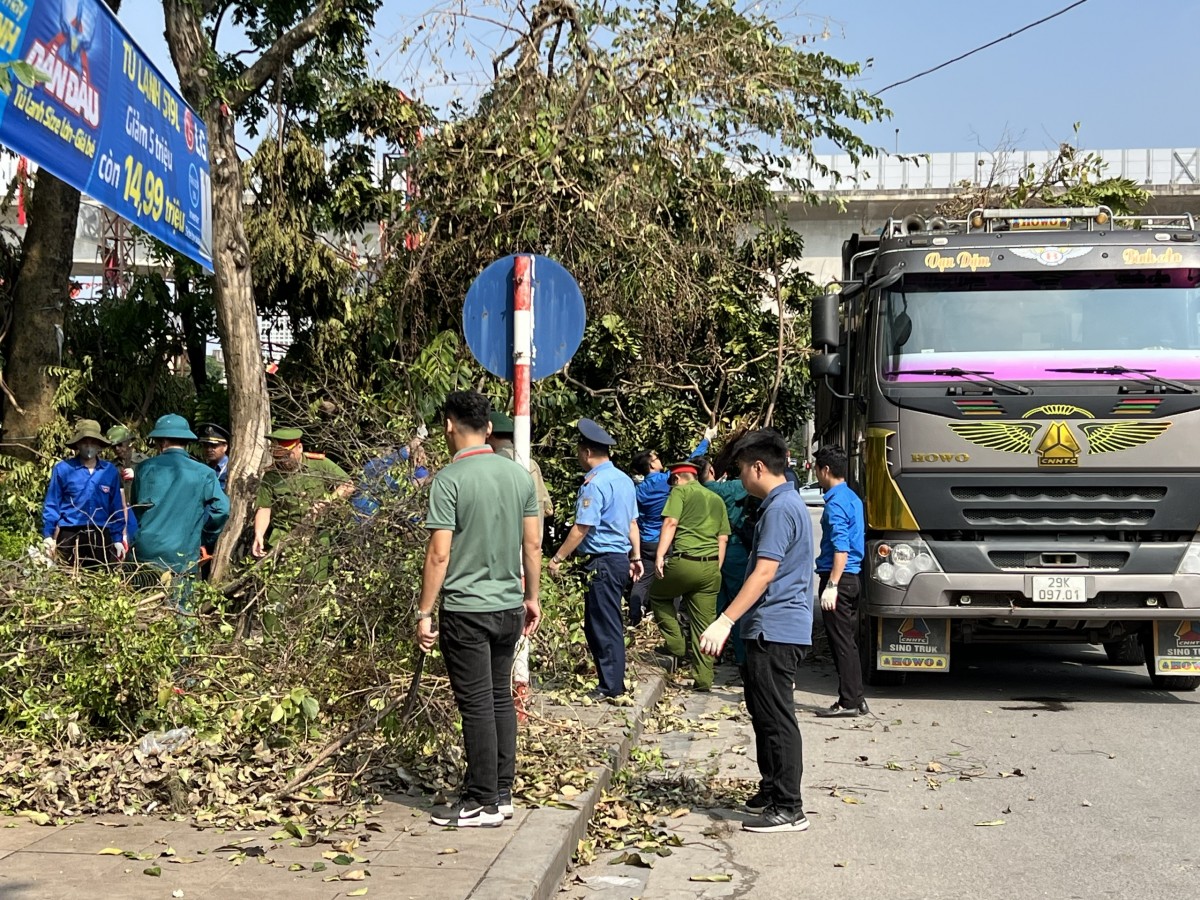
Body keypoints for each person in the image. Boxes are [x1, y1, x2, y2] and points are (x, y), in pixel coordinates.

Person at [416, 391, 541, 829]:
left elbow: (438, 555)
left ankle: (482, 800)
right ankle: (502, 792)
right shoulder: (518, 476)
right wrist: (533, 597)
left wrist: (425, 612)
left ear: (449, 425)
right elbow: (532, 544)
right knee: (499, 697)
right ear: (488, 427)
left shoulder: (450, 480)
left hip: (466, 610)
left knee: (475, 704)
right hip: (509, 605)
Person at [699, 430, 814, 834]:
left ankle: (789, 806)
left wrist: (725, 619)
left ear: (759, 467)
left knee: (777, 717)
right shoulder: (777, 504)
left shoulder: (781, 508)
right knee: (763, 714)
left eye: (743, 469)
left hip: (777, 629)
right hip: (768, 627)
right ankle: (772, 789)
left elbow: (765, 572)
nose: (741, 478)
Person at [548, 419, 641, 699]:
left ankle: (610, 685)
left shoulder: (595, 483)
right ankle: (612, 681)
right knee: (607, 620)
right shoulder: (624, 480)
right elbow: (633, 523)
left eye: (579, 451)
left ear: (587, 452)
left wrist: (558, 558)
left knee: (602, 623)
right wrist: (635, 556)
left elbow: (582, 527)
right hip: (619, 559)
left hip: (601, 560)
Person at [649, 460, 729, 691]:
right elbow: (722, 538)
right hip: (711, 566)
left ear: (676, 479)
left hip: (684, 562)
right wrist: (716, 566)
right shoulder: (716, 499)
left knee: (658, 595)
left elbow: (671, 522)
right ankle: (704, 679)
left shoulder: (679, 492)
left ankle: (676, 645)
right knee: (704, 625)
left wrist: (660, 556)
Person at [627, 426, 716, 624]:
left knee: (642, 579)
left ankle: (634, 616)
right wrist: (706, 440)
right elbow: (688, 463)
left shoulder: (638, 490)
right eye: (656, 458)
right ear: (651, 465)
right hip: (664, 541)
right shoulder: (664, 481)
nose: (659, 459)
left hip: (644, 541)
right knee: (671, 580)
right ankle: (667, 619)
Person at [130, 414, 230, 581]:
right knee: (178, 606)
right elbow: (222, 509)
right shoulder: (204, 473)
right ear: (186, 442)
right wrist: (204, 536)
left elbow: (137, 506)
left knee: (141, 603)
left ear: (161, 442)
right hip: (182, 554)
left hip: (146, 550)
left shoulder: (144, 468)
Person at [812, 444, 868, 718]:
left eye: (816, 469)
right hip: (853, 579)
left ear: (825, 470)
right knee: (849, 641)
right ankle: (856, 697)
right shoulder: (853, 498)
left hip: (839, 579)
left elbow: (841, 548)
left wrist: (831, 586)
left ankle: (848, 701)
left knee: (840, 643)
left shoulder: (835, 503)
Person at [252, 427, 355, 558]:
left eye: (286, 455)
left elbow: (348, 485)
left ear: (299, 448)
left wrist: (329, 501)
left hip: (316, 535)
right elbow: (264, 507)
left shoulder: (318, 464)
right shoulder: (271, 476)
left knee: (316, 577)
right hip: (283, 536)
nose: (282, 461)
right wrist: (259, 534)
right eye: (277, 457)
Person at [41, 419, 130, 568]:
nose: (89, 447)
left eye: (93, 442)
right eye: (84, 442)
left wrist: (118, 538)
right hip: (70, 533)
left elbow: (116, 508)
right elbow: (52, 503)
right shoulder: (63, 469)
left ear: (99, 445)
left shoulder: (110, 471)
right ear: (77, 445)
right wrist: (49, 536)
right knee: (67, 580)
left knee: (100, 581)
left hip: (100, 534)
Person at [699, 454, 756, 667]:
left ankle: (709, 655)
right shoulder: (731, 488)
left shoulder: (696, 492)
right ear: (712, 471)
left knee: (713, 603)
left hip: (705, 549)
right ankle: (743, 658)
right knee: (739, 603)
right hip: (732, 548)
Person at [486, 411, 553, 532]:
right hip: (533, 541)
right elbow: (548, 509)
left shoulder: (490, 464)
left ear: (488, 435)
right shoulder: (531, 463)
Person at [351, 426, 432, 519]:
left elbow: (413, 511)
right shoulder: (383, 465)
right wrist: (409, 449)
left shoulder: (421, 474)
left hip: (371, 520)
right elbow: (368, 470)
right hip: (355, 510)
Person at [106, 425, 145, 503]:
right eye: (113, 446)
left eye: (120, 444)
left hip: (140, 506)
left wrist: (137, 475)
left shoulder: (143, 462)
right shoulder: (111, 467)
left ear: (129, 442)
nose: (117, 448)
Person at [196, 423, 231, 492]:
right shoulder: (204, 468)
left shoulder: (231, 468)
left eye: (213, 446)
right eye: (206, 446)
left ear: (225, 447)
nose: (209, 449)